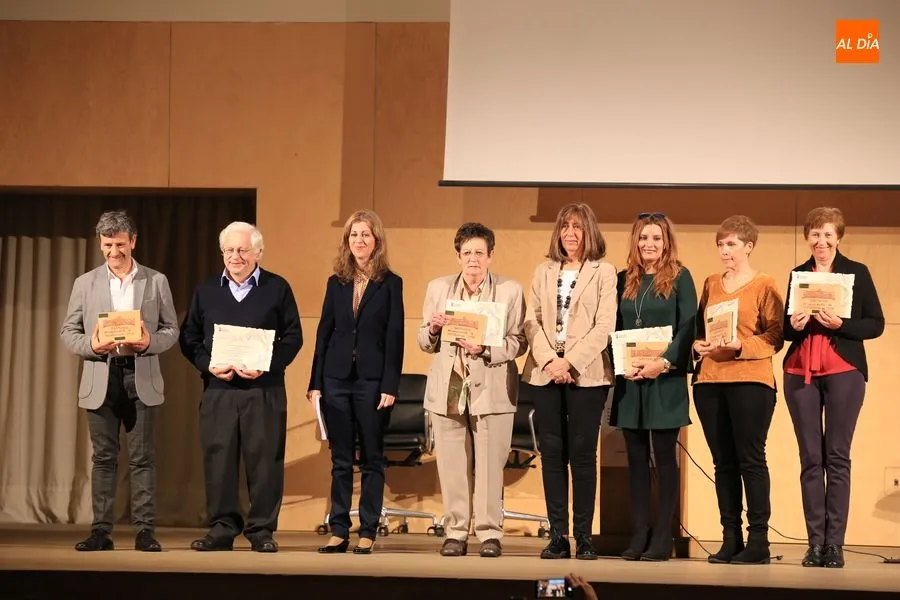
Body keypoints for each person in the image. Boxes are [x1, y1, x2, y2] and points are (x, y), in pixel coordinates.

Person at [179, 221, 302, 553]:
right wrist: (208, 365)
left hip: (264, 391)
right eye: (229, 250)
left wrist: (267, 365)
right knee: (218, 460)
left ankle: (261, 530)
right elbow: (188, 338)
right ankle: (222, 528)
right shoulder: (206, 291)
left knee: (265, 461)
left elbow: (293, 338)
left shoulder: (278, 288)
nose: (235, 256)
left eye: (242, 250)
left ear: (258, 252)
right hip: (218, 391)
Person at [60, 210, 179, 552]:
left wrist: (149, 342)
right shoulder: (85, 283)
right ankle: (101, 532)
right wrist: (92, 346)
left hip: (141, 374)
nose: (115, 251)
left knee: (143, 459)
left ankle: (144, 532)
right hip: (102, 375)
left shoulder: (156, 281)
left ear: (134, 241)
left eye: (121, 244)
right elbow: (68, 332)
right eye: (108, 245)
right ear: (100, 244)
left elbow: (171, 329)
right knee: (103, 459)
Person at [782, 207, 884, 569]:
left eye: (827, 235)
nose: (821, 242)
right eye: (815, 235)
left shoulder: (857, 271)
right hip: (800, 371)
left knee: (836, 457)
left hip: (843, 369)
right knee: (810, 459)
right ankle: (815, 544)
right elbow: (784, 331)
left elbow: (876, 324)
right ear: (807, 237)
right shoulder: (798, 274)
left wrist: (842, 323)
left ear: (838, 237)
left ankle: (835, 545)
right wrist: (793, 325)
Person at [418, 222, 526, 558]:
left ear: (491, 256)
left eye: (480, 253)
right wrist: (433, 328)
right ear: (458, 256)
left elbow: (519, 342)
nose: (473, 259)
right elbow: (424, 342)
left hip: (491, 388)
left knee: (491, 468)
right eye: (467, 253)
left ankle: (490, 533)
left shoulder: (510, 290)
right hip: (449, 386)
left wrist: (486, 349)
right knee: (452, 466)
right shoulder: (438, 288)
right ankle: (455, 532)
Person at [521, 202, 617, 560]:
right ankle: (558, 536)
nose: (570, 233)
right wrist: (550, 361)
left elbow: (604, 326)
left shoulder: (603, 272)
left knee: (582, 455)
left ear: (588, 231)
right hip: (545, 373)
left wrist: (570, 362)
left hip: (587, 375)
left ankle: (584, 536)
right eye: (565, 227)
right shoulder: (543, 270)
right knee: (552, 455)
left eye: (577, 227)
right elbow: (531, 321)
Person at [308, 210, 404, 555]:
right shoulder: (336, 282)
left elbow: (395, 336)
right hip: (335, 379)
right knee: (340, 459)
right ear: (346, 242)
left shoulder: (391, 283)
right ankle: (338, 529)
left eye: (365, 234)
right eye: (353, 235)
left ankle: (367, 530)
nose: (359, 241)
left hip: (373, 381)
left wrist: (390, 385)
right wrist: (315, 381)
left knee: (373, 459)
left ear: (376, 240)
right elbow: (324, 333)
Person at [691, 215, 785, 565]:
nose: (724, 250)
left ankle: (758, 541)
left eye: (731, 244)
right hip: (711, 381)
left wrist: (740, 345)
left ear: (749, 246)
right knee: (723, 463)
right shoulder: (711, 283)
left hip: (750, 380)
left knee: (751, 459)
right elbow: (702, 329)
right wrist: (698, 346)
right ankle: (731, 537)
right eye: (720, 244)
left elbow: (776, 336)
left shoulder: (764, 284)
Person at [608, 212, 697, 562]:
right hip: (631, 381)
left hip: (665, 379)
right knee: (635, 461)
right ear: (635, 241)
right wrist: (621, 362)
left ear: (666, 242)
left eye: (656, 238)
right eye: (643, 238)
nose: (649, 244)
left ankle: (664, 536)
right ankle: (640, 532)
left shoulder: (680, 277)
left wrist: (663, 362)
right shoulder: (622, 280)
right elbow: (613, 326)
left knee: (664, 458)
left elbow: (688, 325)